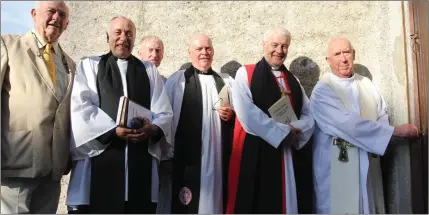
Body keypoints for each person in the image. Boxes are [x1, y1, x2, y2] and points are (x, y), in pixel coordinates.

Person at [65, 16, 173, 214]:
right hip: (99, 162)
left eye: (129, 33)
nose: (124, 37)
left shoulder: (148, 70)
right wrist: (113, 132)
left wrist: (154, 128)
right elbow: (81, 107)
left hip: (140, 166)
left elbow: (164, 111)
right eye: (118, 32)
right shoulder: (90, 66)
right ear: (108, 37)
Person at [311, 37, 420, 214]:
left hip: (368, 165)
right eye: (337, 54)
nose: (343, 59)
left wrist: (385, 131)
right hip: (339, 168)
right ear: (328, 60)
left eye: (346, 52)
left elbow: (381, 114)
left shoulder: (366, 84)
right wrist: (395, 131)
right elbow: (348, 125)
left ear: (353, 54)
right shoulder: (323, 90)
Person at [226, 27, 315, 214]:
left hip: (288, 152)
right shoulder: (247, 73)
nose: (279, 51)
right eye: (274, 45)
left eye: (284, 46)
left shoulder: (293, 80)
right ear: (263, 45)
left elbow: (309, 114)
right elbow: (246, 113)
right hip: (258, 151)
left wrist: (295, 128)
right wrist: (281, 133)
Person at [0, 1, 75, 214]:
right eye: (51, 12)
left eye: (62, 15)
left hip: (53, 169)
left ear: (67, 24)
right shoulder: (7, 45)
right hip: (15, 161)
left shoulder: (69, 64)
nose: (56, 18)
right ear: (34, 14)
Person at [165, 33, 235, 214]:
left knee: (217, 200)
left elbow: (241, 114)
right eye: (199, 49)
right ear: (190, 52)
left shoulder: (226, 81)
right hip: (188, 158)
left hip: (218, 155)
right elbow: (165, 117)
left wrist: (231, 114)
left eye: (208, 48)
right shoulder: (178, 80)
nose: (205, 52)